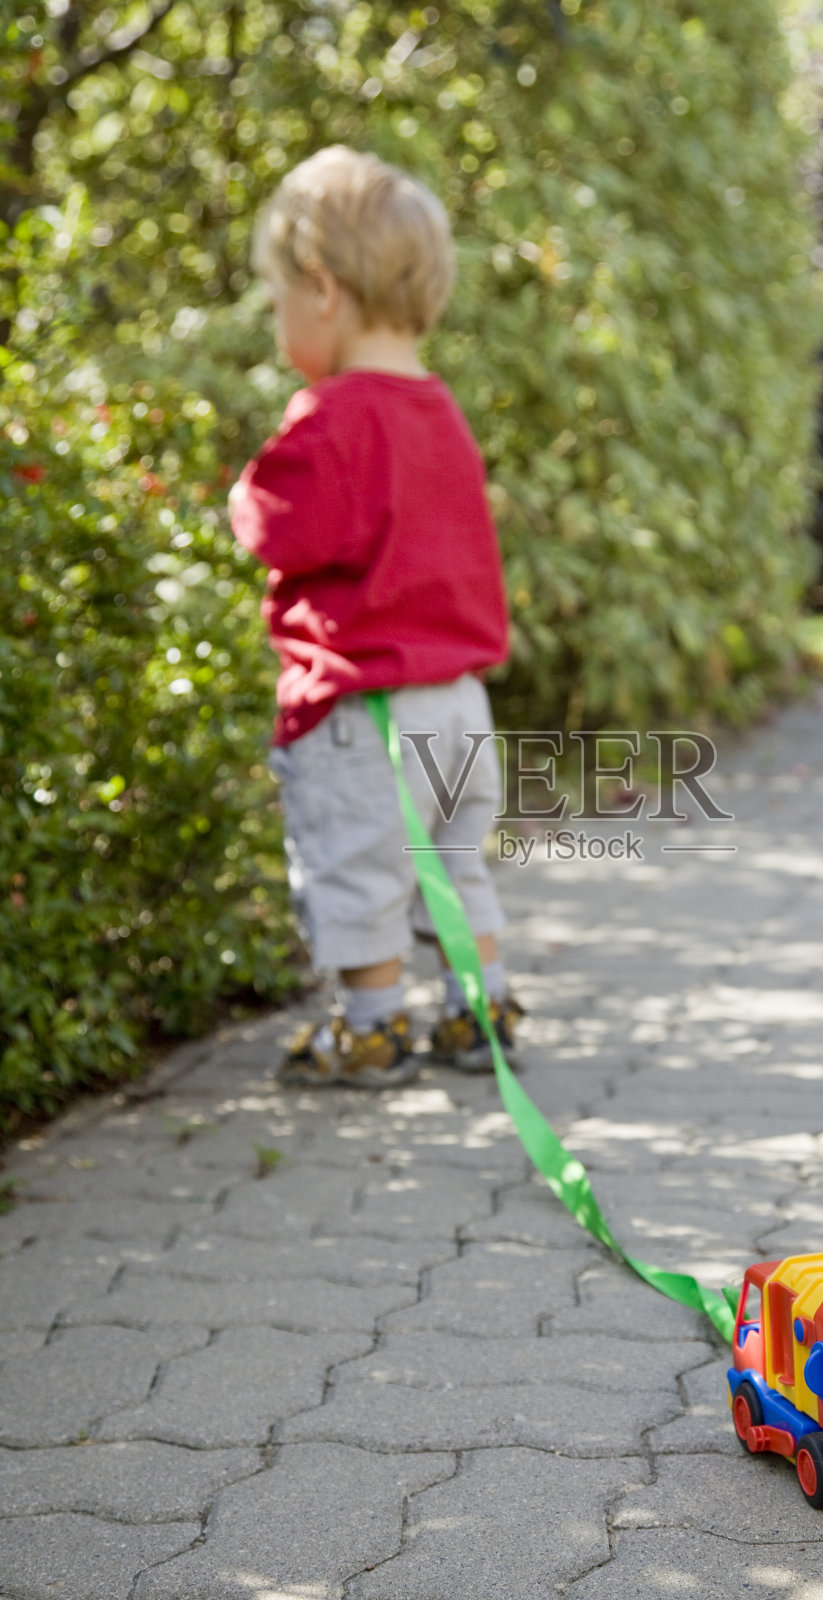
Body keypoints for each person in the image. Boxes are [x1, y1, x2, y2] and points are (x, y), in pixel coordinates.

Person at [229, 145, 521, 1087]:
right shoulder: (441, 411)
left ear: (322, 289)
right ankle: (481, 1009)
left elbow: (278, 530)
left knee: (361, 870)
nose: (279, 322)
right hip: (459, 705)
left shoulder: (332, 417)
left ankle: (370, 1028)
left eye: (277, 300)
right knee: (453, 865)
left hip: (369, 713)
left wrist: (243, 490)